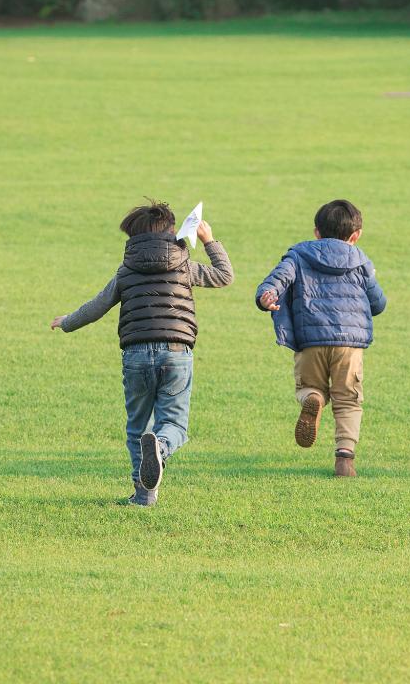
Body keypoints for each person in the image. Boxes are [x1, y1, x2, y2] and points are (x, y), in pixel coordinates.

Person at [50, 200, 234, 506]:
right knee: (174, 425)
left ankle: (143, 496)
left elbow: (97, 306)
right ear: (173, 232)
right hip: (176, 352)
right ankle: (160, 448)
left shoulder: (126, 271)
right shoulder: (184, 266)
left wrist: (67, 322)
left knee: (138, 427)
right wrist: (209, 241)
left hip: (135, 355)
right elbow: (224, 275)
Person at [255, 200, 386, 477]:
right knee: (348, 399)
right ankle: (345, 459)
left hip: (310, 339)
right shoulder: (361, 261)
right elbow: (378, 303)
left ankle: (312, 398)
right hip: (349, 345)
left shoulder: (299, 255)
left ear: (316, 232)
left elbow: (276, 280)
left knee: (309, 386)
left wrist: (267, 296)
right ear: (356, 235)